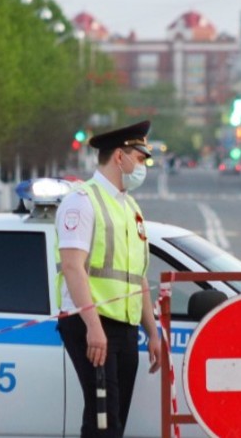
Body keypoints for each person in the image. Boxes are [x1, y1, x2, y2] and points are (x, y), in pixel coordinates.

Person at [55, 120, 161, 437]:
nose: (143, 167)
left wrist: (152, 333)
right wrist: (94, 328)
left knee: (115, 418)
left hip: (124, 326)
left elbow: (137, 277)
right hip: (92, 322)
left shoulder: (130, 207)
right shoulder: (83, 200)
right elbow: (73, 267)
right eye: (140, 159)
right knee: (103, 420)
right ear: (119, 157)